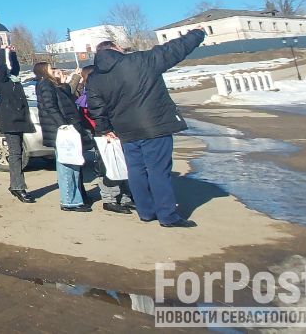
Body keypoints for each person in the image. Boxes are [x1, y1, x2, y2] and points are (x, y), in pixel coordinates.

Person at [87, 30, 206, 228]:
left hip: (125, 130)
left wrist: (104, 128)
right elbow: (173, 49)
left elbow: (95, 106)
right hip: (154, 125)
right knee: (158, 170)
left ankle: (146, 211)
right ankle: (167, 215)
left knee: (136, 171)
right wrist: (197, 34)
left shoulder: (94, 78)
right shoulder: (140, 61)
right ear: (115, 48)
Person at [76, 65, 134, 214]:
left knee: (121, 164)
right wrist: (104, 130)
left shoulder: (98, 92)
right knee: (107, 167)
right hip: (102, 136)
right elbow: (93, 117)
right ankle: (110, 199)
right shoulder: (88, 96)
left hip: (112, 133)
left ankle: (126, 196)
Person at [34, 61, 89, 212]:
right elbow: (50, 106)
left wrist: (74, 77)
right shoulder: (45, 84)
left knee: (72, 165)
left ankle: (75, 198)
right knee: (66, 166)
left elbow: (67, 90)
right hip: (62, 130)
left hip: (64, 127)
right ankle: (69, 201)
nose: (54, 71)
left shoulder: (52, 85)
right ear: (44, 70)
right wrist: (63, 125)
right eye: (51, 69)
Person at [0, 47, 34, 203]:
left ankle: (16, 185)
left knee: (18, 153)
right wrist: (2, 52)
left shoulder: (13, 79)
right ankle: (18, 187)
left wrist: (12, 53)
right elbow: (2, 69)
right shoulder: (0, 80)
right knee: (15, 154)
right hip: (9, 120)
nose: (9, 70)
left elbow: (15, 68)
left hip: (19, 119)